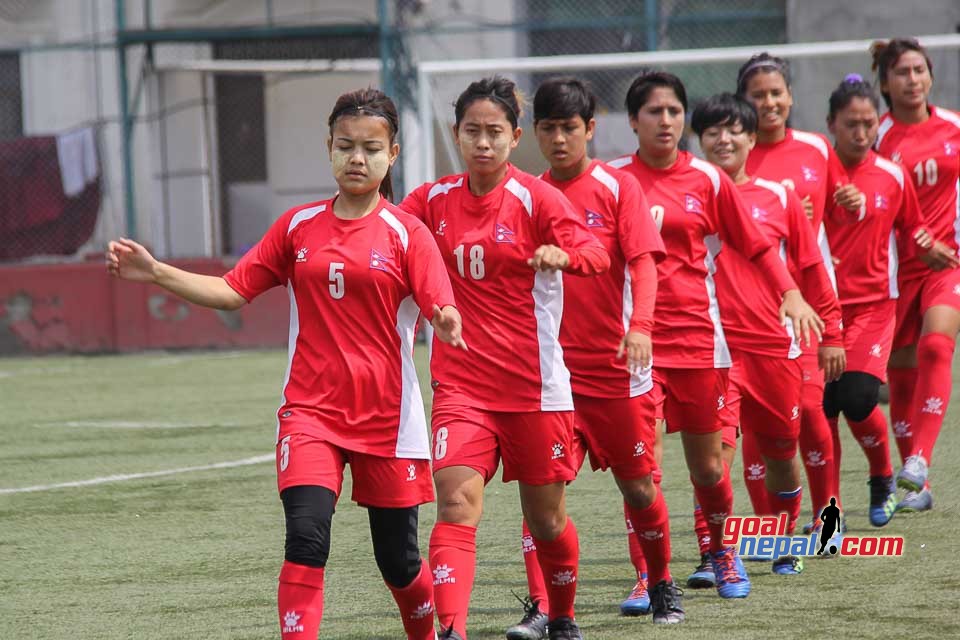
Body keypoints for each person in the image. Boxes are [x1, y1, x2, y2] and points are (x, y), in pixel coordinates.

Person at [106, 89, 466, 640]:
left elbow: (440, 303)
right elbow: (231, 291)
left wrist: (444, 321)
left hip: (388, 422)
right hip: (310, 415)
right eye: (345, 145)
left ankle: (436, 632)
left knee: (398, 561)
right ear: (328, 148)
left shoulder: (407, 234)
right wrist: (157, 272)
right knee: (306, 539)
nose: (357, 158)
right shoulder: (298, 226)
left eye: (371, 148)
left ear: (392, 155)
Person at [399, 76, 610, 640]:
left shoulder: (538, 199)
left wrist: (562, 253)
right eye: (473, 131)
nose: (483, 143)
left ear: (516, 137)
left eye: (495, 132)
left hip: (535, 388)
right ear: (457, 134)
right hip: (461, 388)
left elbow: (596, 251)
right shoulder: (431, 200)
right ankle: (451, 630)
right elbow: (389, 232)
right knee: (456, 504)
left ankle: (561, 616)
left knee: (547, 519)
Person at [608, 69, 823, 599]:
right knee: (644, 468)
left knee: (708, 467)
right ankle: (649, 576)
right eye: (654, 112)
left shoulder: (706, 179)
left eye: (674, 111)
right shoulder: (612, 179)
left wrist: (790, 293)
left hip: (702, 340)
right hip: (637, 344)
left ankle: (724, 553)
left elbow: (753, 245)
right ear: (633, 121)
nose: (666, 121)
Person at [503, 76, 680, 635]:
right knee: (541, 498)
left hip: (615, 371)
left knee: (638, 486)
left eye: (569, 128)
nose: (559, 139)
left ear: (590, 130)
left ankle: (659, 582)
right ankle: (548, 610)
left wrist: (641, 328)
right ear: (534, 133)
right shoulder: (528, 195)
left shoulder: (618, 188)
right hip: (549, 376)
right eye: (549, 128)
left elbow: (645, 263)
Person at [691, 92, 844, 576]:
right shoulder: (689, 199)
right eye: (712, 131)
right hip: (714, 350)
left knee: (781, 455)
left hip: (777, 348)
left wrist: (833, 331)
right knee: (712, 459)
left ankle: (780, 536)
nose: (723, 139)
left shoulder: (779, 196)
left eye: (734, 130)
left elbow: (812, 267)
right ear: (700, 141)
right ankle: (713, 553)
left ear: (752, 138)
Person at [737, 52, 863, 534]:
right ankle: (769, 527)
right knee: (759, 425)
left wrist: (846, 202)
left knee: (812, 410)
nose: (768, 103)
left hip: (805, 307)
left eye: (776, 93)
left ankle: (828, 514)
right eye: (758, 95)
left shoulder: (815, 148)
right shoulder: (734, 154)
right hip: (750, 313)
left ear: (790, 97)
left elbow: (837, 211)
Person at [822, 74, 942, 526]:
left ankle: (881, 475)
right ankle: (827, 511)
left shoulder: (892, 174)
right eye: (851, 123)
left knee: (856, 396)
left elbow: (913, 224)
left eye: (869, 123)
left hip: (873, 304)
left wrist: (930, 245)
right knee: (822, 409)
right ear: (832, 123)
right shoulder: (819, 172)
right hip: (819, 309)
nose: (861, 132)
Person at [871, 38, 960, 512]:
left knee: (936, 345)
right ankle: (916, 487)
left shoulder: (954, 127)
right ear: (885, 82)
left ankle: (920, 460)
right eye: (902, 72)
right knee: (900, 377)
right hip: (892, 271)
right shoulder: (877, 136)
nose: (913, 80)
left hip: (948, 263)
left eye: (919, 70)